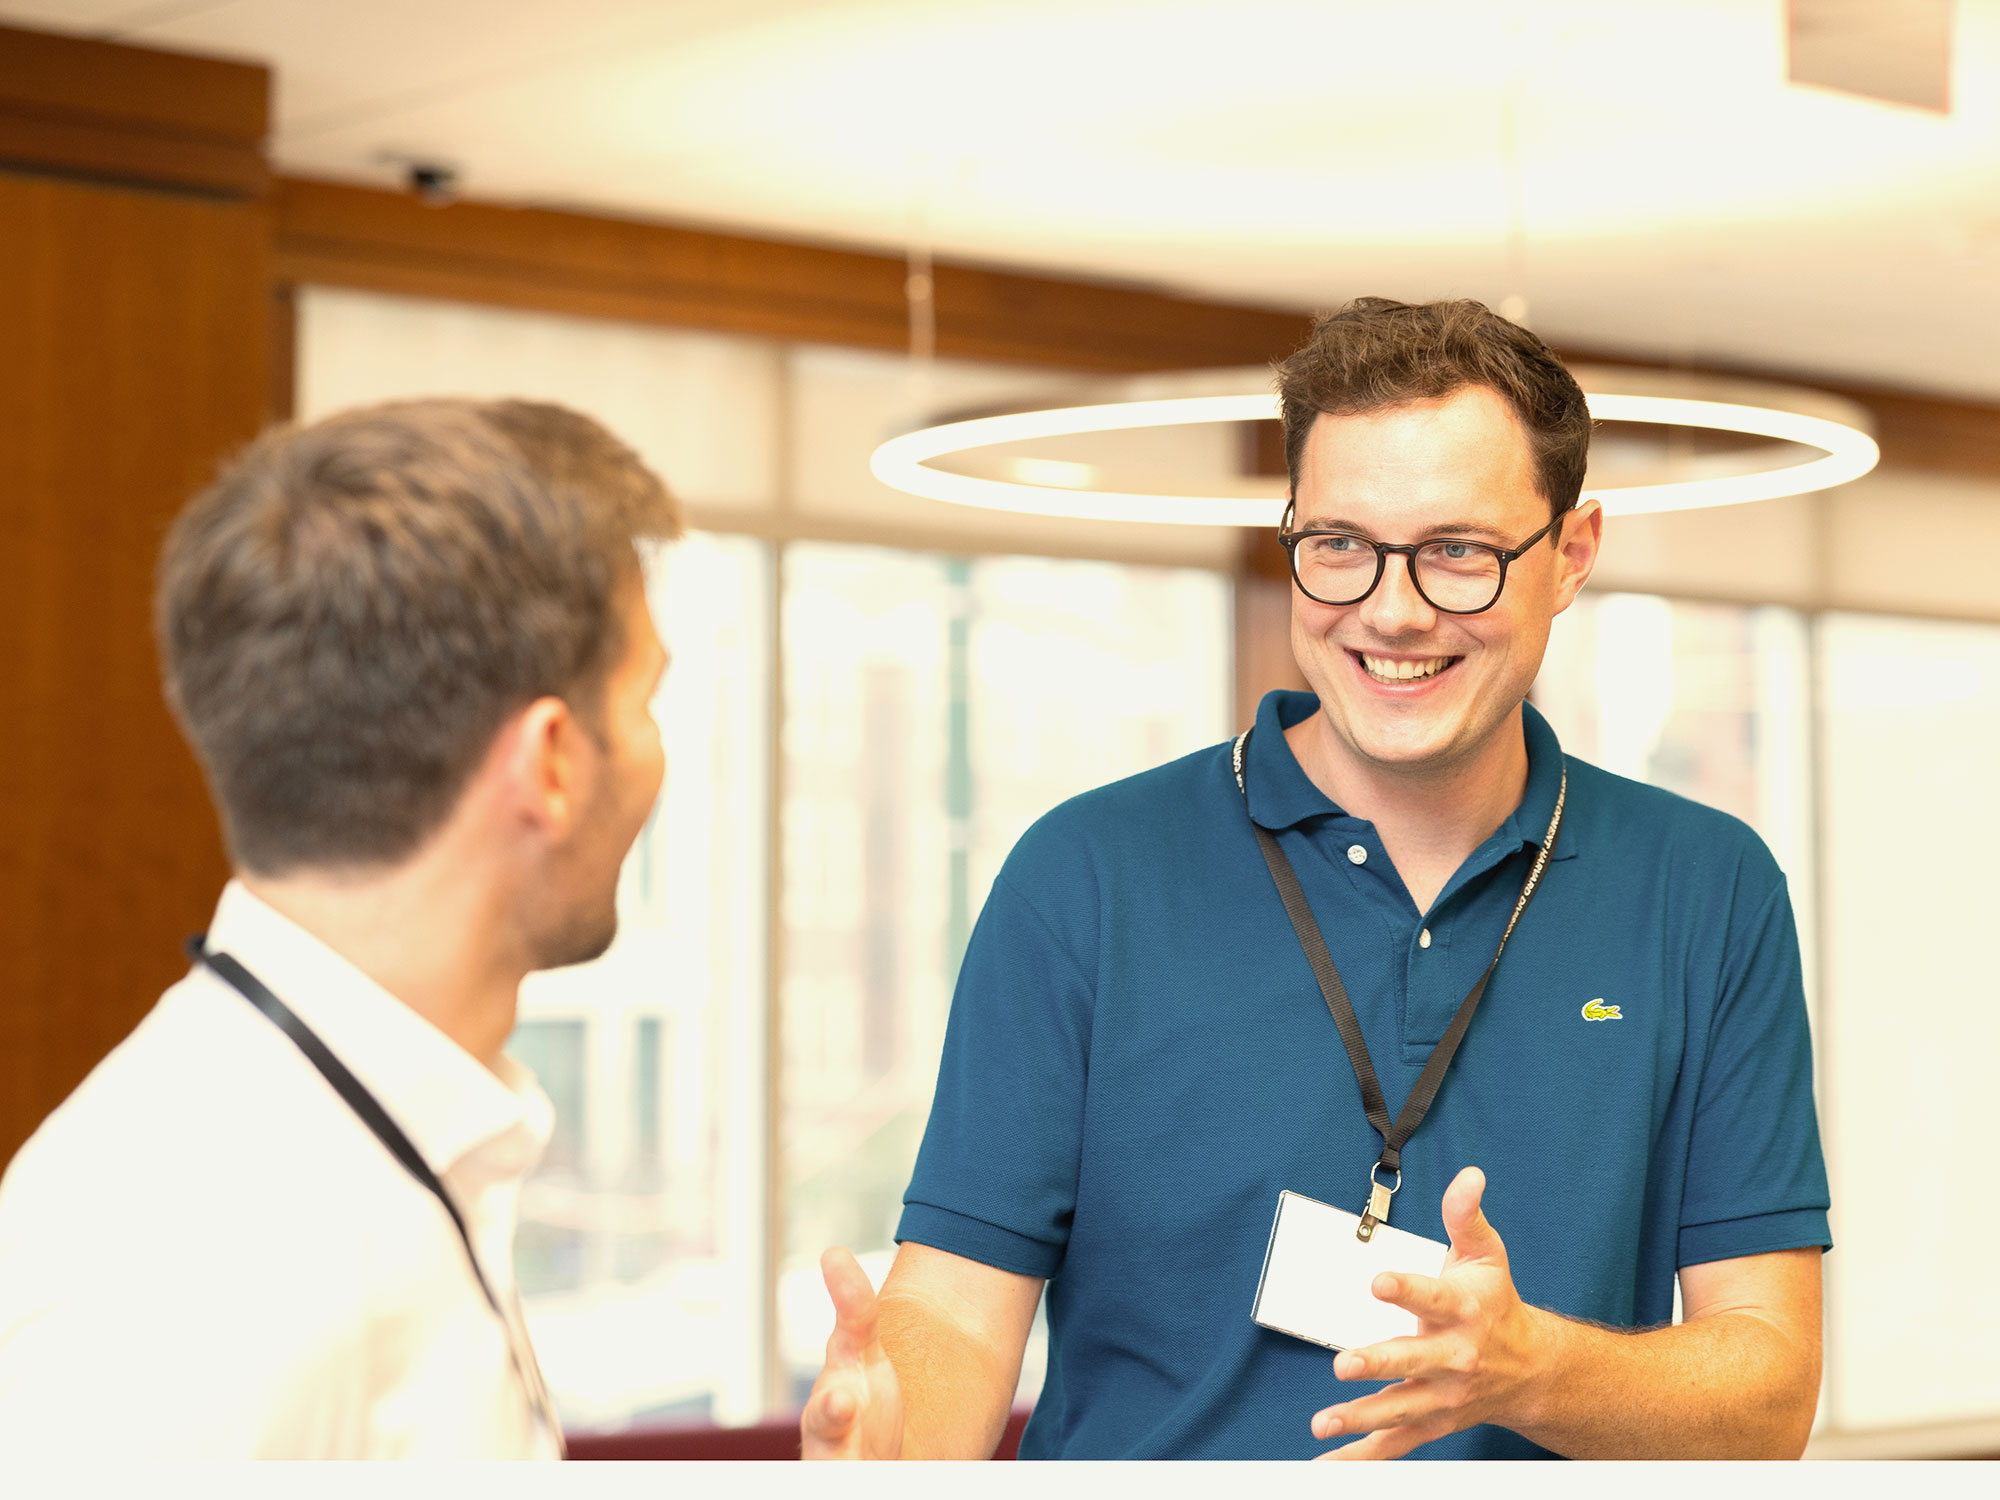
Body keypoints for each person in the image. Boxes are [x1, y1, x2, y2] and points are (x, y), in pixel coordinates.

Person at [801, 298, 1830, 1461]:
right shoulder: (1084, 877)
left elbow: (1768, 1391)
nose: (1389, 612)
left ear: (1570, 556)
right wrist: (889, 1451)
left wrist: (1534, 1370)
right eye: (1337, 544)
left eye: (1457, 552)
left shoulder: (1705, 889)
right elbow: (951, 1311)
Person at [0, 399, 681, 1457]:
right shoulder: (184, 1282)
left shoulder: (357, 1140)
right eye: (645, 699)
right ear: (550, 762)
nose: (654, 754)